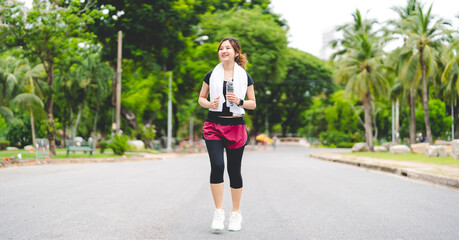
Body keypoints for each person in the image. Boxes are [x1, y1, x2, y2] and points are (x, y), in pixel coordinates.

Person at [198, 37, 256, 232]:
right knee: (217, 165)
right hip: (213, 124)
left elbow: (253, 103)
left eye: (228, 48)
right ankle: (218, 212)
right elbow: (201, 98)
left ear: (236, 53)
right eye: (221, 48)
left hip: (235, 126)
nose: (224, 51)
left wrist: (239, 101)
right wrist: (210, 104)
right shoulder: (211, 75)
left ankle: (236, 214)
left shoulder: (244, 76)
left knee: (234, 170)